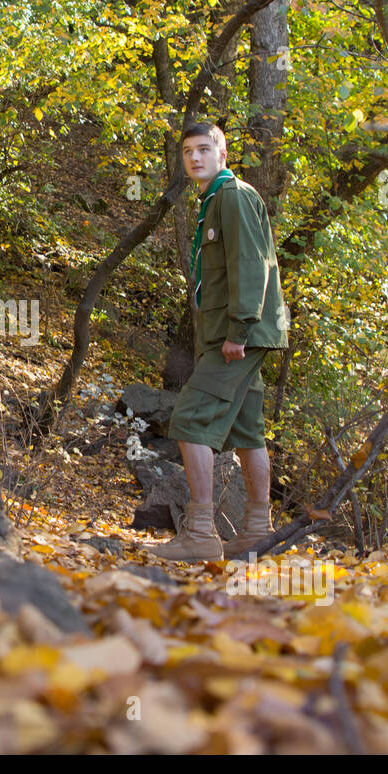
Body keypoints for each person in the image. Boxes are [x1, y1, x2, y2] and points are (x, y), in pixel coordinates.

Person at [149, 122, 289, 562]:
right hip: (229, 336)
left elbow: (252, 263)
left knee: (189, 418)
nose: (195, 158)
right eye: (188, 151)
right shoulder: (214, 200)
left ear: (222, 155)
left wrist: (239, 331)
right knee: (248, 431)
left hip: (239, 336)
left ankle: (202, 533)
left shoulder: (232, 195)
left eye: (205, 149)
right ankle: (256, 532)